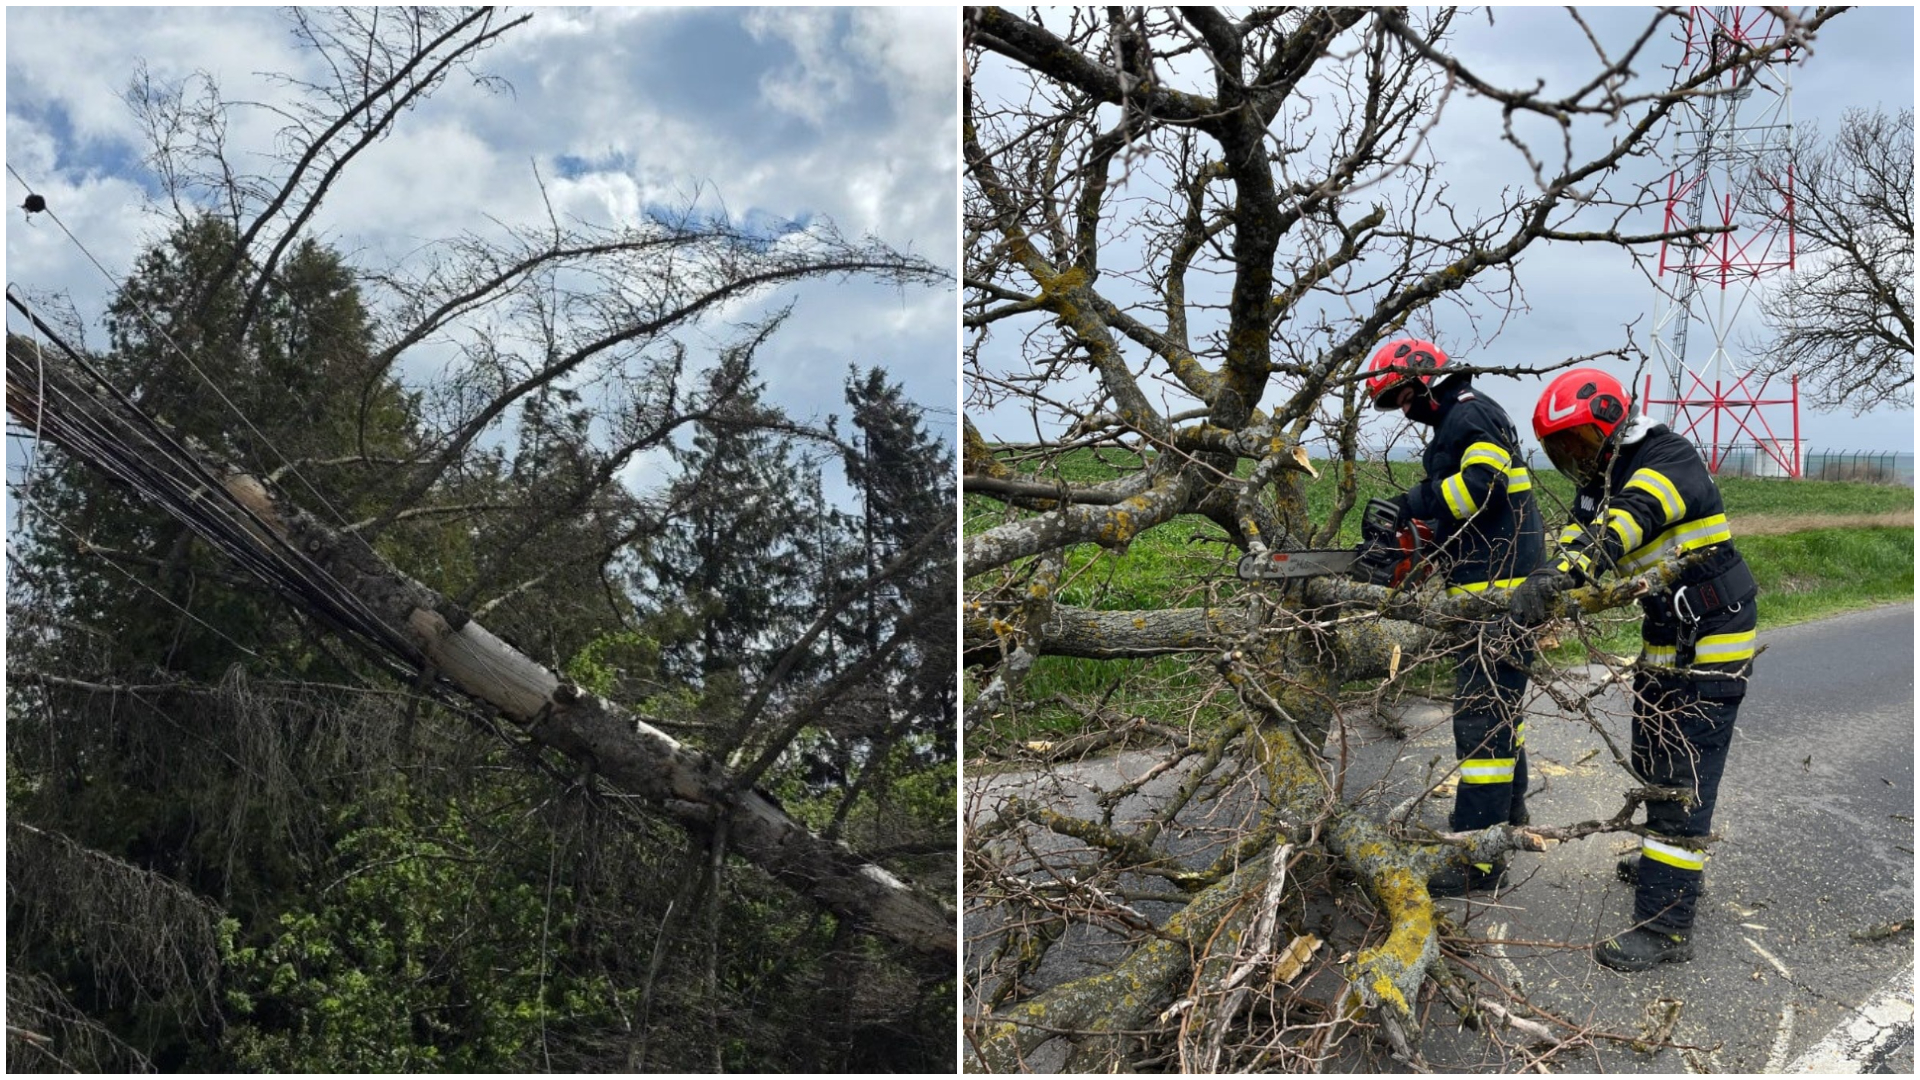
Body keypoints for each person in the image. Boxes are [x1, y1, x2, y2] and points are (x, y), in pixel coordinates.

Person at [1510, 368, 1758, 971]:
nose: (1576, 460)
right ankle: (1660, 858)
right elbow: (1583, 529)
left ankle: (1667, 926)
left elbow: (1629, 522)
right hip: (1666, 629)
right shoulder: (1603, 475)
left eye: (1581, 445)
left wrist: (1568, 572)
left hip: (1713, 635)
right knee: (1651, 751)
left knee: (1683, 771)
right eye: (1562, 453)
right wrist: (1549, 579)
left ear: (1611, 425)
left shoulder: (1668, 460)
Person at [1362, 338, 1543, 896]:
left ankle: (1477, 859)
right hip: (1491, 583)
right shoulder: (1457, 422)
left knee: (1482, 720)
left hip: (1500, 592)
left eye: (1401, 398)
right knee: (1500, 711)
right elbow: (1466, 512)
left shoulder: (1469, 415)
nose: (1402, 410)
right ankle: (1507, 822)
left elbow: (1481, 491)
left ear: (1421, 380)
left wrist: (1413, 505)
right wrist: (1425, 543)